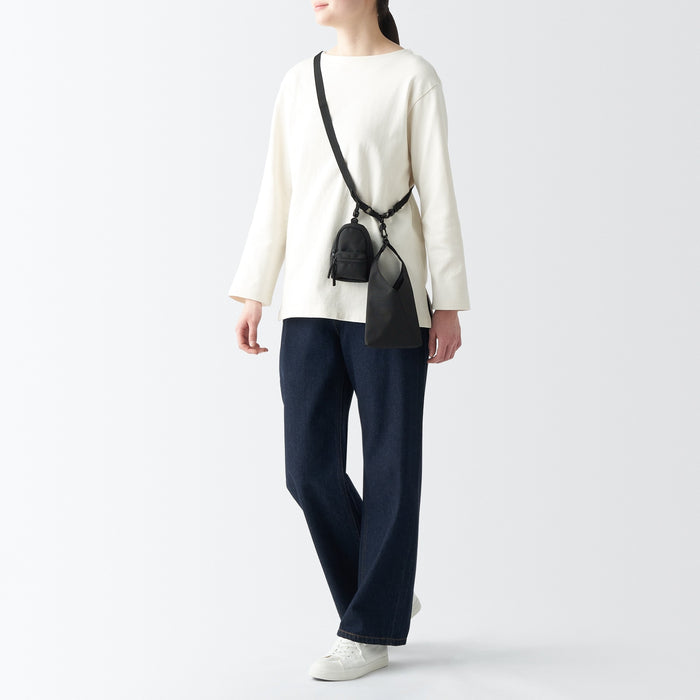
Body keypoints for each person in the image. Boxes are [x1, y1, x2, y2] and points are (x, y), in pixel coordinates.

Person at [227, 0, 471, 682]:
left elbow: (439, 195)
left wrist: (448, 302)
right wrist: (254, 290)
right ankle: (384, 590)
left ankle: (367, 628)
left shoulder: (413, 78)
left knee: (392, 459)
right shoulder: (297, 81)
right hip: (308, 301)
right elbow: (276, 194)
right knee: (307, 470)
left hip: (391, 299)